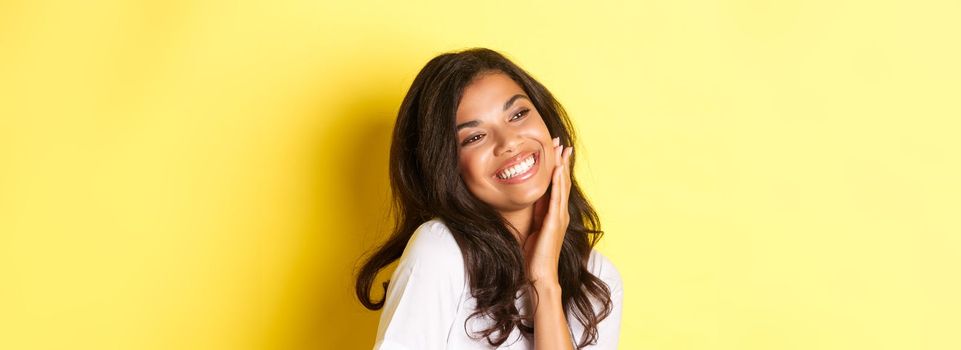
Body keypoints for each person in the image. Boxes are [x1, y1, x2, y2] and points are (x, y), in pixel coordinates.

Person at [354, 48, 623, 349]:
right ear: (447, 166)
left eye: (519, 114)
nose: (509, 142)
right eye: (474, 137)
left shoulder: (597, 279)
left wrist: (545, 282)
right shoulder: (440, 251)